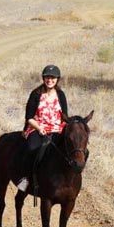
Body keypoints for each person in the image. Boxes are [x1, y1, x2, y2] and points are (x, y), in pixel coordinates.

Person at [18, 64, 69, 192]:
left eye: (53, 78)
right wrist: (39, 127)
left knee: (71, 150)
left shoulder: (61, 95)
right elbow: (29, 117)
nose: (50, 80)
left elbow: (65, 116)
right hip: (38, 127)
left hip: (58, 128)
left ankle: (69, 181)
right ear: (43, 78)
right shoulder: (36, 94)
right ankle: (25, 180)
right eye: (47, 77)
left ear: (57, 79)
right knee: (31, 149)